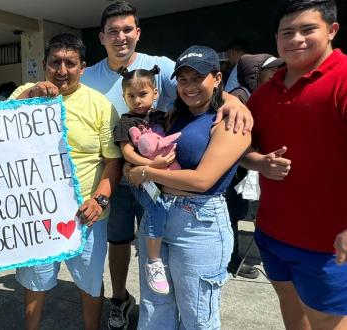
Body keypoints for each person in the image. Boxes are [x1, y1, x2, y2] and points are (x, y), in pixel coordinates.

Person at [80, 2, 254, 328]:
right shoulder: (88, 77)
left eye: (127, 29)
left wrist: (236, 103)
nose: (121, 37)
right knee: (122, 245)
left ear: (138, 32)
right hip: (116, 175)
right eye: (113, 31)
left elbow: (201, 92)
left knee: (191, 304)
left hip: (165, 183)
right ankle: (119, 299)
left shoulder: (159, 66)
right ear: (101, 37)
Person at [126, 45, 251, 329]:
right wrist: (134, 167)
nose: (190, 86)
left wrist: (144, 172)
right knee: (154, 307)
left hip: (200, 224)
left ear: (217, 78)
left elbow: (202, 180)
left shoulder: (231, 120)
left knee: (197, 316)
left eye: (198, 77)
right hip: (157, 215)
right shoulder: (171, 116)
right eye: (183, 79)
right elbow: (140, 154)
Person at [241, 0, 347, 328]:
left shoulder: (343, 80)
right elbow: (242, 150)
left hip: (327, 244)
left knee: (329, 321)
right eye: (288, 32)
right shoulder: (264, 92)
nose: (296, 39)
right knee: (292, 310)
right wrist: (257, 161)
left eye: (307, 29)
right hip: (273, 235)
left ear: (332, 30)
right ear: (276, 39)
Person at [11, 33, 123, 330]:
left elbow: (113, 161)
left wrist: (99, 200)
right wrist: (29, 96)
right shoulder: (27, 92)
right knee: (35, 283)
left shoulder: (100, 105)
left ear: (82, 67)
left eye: (70, 63)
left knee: (90, 285)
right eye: (55, 63)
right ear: (44, 65)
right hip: (36, 215)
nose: (62, 70)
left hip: (86, 216)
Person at [112, 65, 173, 295]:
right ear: (124, 97)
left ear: (155, 93)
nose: (137, 100)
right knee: (155, 209)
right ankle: (153, 261)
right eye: (131, 96)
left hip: (164, 178)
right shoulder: (126, 122)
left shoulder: (162, 116)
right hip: (140, 180)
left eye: (143, 94)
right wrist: (150, 166)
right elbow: (127, 153)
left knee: (163, 212)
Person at [226, 53, 284, 279]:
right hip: (232, 170)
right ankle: (231, 260)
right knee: (231, 214)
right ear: (256, 74)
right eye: (272, 71)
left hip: (246, 167)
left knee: (237, 213)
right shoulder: (240, 97)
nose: (278, 74)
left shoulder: (264, 95)